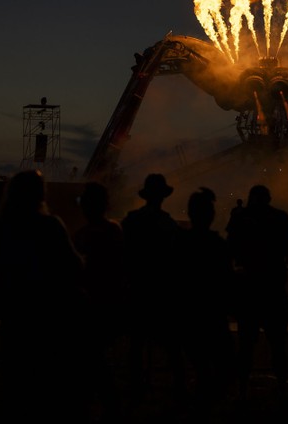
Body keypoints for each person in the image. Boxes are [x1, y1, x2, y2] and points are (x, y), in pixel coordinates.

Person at [0, 169, 89, 422]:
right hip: (47, 314)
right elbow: (74, 265)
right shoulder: (50, 225)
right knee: (47, 381)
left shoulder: (3, 227)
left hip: (14, 312)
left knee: (15, 381)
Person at [226, 184, 288, 405]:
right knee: (277, 344)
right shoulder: (280, 217)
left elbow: (230, 250)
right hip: (273, 287)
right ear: (269, 198)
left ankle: (243, 390)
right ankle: (282, 388)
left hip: (248, 289)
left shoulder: (239, 218)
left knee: (246, 344)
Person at [120, 173, 185, 407]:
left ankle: (135, 390)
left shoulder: (131, 221)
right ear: (163, 197)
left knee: (136, 347)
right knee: (172, 347)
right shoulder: (169, 224)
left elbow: (123, 257)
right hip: (163, 294)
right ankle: (179, 390)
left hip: (138, 291)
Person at [175, 186, 236, 418]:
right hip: (211, 316)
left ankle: (199, 403)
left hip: (188, 315)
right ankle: (204, 404)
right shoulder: (216, 244)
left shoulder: (180, 243)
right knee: (225, 365)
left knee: (200, 364)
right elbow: (226, 280)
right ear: (210, 215)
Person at [73, 181, 127, 421]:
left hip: (92, 306)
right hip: (106, 304)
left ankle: (95, 402)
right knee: (95, 359)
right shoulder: (113, 231)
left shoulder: (82, 235)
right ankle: (105, 403)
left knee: (90, 359)